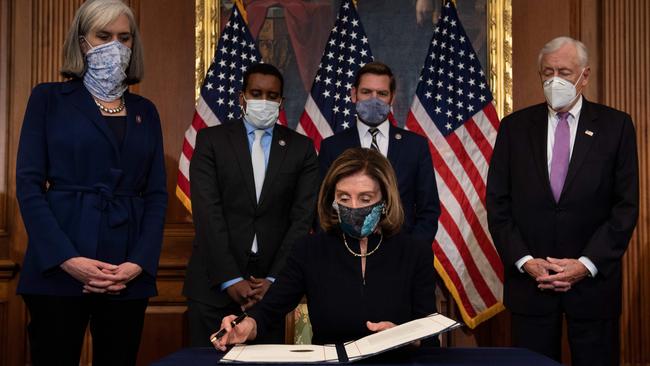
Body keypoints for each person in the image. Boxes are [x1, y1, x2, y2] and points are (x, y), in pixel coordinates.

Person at [15, 0, 168, 365]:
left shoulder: (146, 111)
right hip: (59, 264)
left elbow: (157, 195)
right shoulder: (48, 98)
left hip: (125, 271)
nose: (115, 45)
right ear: (82, 41)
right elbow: (29, 185)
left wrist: (138, 263)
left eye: (124, 37)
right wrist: (67, 259)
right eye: (103, 35)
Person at [486, 36, 638, 366]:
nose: (555, 80)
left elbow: (625, 208)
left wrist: (586, 264)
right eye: (548, 71)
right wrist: (526, 261)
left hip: (593, 287)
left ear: (584, 76)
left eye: (565, 72)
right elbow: (498, 204)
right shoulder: (514, 128)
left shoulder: (616, 126)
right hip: (531, 285)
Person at [212, 147, 438, 349]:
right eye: (344, 198)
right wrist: (246, 326)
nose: (353, 207)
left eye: (365, 198)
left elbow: (430, 334)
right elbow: (269, 311)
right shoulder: (309, 250)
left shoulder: (415, 251)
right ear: (332, 200)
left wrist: (404, 337)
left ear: (386, 201)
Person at [184, 63, 319, 347]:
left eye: (272, 96)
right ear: (241, 97)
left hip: (268, 293)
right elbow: (208, 213)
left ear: (281, 102)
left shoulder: (301, 148)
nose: (264, 101)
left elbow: (302, 218)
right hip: (213, 284)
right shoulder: (211, 141)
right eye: (256, 93)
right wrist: (230, 278)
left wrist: (274, 280)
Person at [319, 62, 440, 245]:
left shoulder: (415, 146)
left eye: (382, 94)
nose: (373, 100)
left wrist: (411, 253)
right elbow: (323, 208)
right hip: (346, 255)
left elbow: (428, 210)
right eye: (366, 92)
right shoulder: (332, 147)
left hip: (403, 254)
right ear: (354, 94)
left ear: (392, 98)